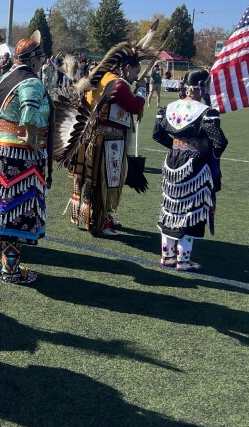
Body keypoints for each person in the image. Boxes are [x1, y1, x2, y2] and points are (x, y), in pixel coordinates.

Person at [57, 38, 151, 237]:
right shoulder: (119, 85)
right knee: (105, 183)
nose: (137, 76)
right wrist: (142, 90)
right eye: (136, 72)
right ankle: (99, 222)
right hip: (108, 143)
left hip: (94, 139)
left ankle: (100, 217)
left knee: (97, 181)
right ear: (126, 67)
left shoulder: (101, 77)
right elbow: (135, 106)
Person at [0, 31, 50, 285]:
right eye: (41, 57)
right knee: (16, 213)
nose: (43, 61)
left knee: (1, 209)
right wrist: (34, 144)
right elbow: (29, 117)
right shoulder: (31, 82)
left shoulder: (3, 79)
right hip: (20, 156)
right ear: (33, 59)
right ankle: (10, 270)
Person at [152, 68, 228, 270]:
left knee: (171, 207)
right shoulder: (205, 113)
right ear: (202, 87)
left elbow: (157, 135)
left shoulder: (168, 109)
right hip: (195, 165)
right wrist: (209, 155)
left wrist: (177, 148)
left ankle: (167, 256)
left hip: (172, 163)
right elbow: (220, 142)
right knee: (191, 210)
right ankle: (183, 261)